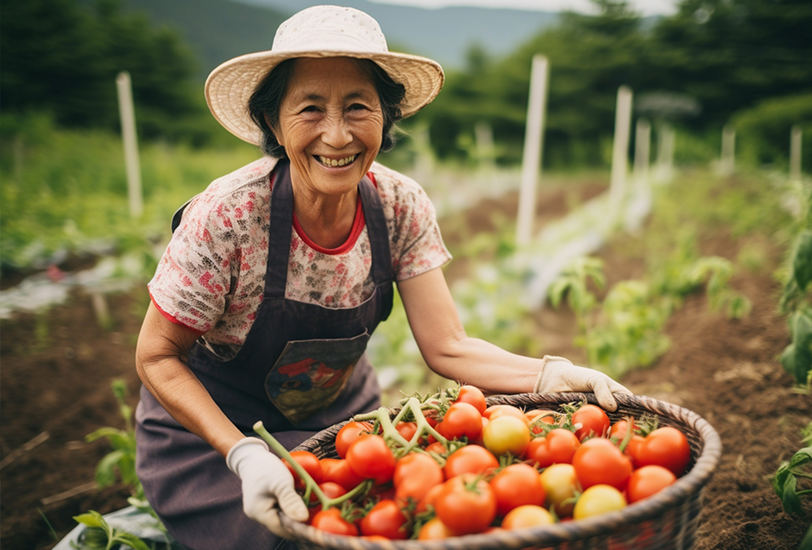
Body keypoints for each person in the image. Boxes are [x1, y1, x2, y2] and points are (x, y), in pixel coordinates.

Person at [134, 5, 632, 549]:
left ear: (386, 116)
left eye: (358, 107)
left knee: (406, 518)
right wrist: (243, 454)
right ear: (273, 122)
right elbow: (156, 356)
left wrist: (550, 374)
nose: (337, 135)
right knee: (296, 536)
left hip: (341, 426)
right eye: (310, 109)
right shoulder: (229, 217)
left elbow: (448, 346)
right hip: (212, 438)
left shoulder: (398, 205)